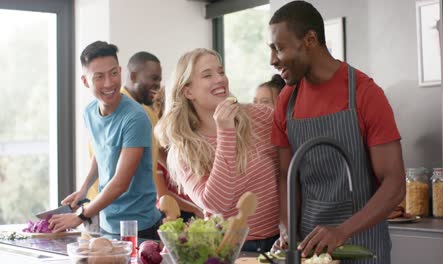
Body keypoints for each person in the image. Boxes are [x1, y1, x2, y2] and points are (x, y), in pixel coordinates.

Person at [268, 1, 405, 263]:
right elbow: (287, 176)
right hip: (308, 251)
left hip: (364, 245)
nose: (273, 60)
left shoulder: (365, 94)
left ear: (309, 39)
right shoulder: (286, 102)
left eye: (279, 48)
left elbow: (395, 185)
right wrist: (286, 230)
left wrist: (342, 231)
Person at [156, 48, 280, 252]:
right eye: (207, 75)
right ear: (188, 91)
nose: (220, 79)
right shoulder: (184, 149)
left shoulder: (260, 116)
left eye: (221, 72)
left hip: (280, 242)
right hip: (228, 248)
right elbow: (216, 203)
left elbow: (289, 171)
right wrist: (226, 131)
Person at [48, 41, 162, 239]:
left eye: (113, 73)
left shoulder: (135, 118)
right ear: (85, 81)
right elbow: (103, 153)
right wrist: (83, 189)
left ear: (120, 71)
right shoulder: (90, 112)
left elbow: (121, 183)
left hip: (139, 227)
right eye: (99, 77)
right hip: (108, 222)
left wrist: (80, 216)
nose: (109, 83)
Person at [153, 85, 204, 221]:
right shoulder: (158, 150)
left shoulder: (190, 143)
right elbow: (163, 194)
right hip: (173, 215)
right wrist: (196, 208)